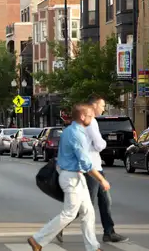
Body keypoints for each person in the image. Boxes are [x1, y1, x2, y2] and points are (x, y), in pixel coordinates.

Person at [27, 104, 110, 251]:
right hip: (71, 178)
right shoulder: (77, 134)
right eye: (90, 116)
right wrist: (101, 179)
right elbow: (85, 162)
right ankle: (37, 239)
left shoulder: (69, 130)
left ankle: (92, 247)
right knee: (70, 213)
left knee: (88, 212)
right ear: (83, 117)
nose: (92, 118)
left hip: (76, 176)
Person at [56, 96, 128, 243]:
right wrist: (103, 143)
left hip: (94, 167)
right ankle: (58, 226)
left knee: (104, 200)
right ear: (94, 105)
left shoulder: (86, 122)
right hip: (91, 169)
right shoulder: (91, 122)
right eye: (102, 105)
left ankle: (109, 232)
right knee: (86, 204)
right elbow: (99, 144)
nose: (104, 108)